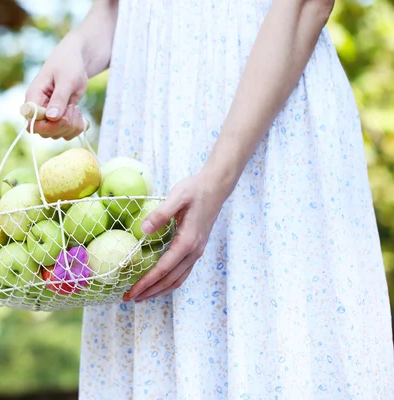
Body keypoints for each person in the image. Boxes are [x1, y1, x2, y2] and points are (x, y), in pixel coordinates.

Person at [24, 0, 394, 398]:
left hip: (265, 131)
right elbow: (116, 9)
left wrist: (217, 179)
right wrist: (77, 48)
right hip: (150, 134)